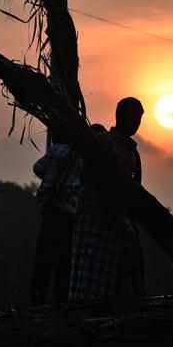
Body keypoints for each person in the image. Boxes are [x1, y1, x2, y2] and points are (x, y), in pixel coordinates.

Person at [69, 97, 146, 303]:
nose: (137, 122)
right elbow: (87, 176)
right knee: (89, 273)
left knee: (125, 263)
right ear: (120, 116)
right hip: (93, 215)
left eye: (140, 119)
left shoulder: (133, 153)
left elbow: (135, 189)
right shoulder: (103, 141)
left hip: (116, 218)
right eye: (134, 117)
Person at [29, 131, 84, 305]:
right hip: (68, 213)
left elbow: (38, 168)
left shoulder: (56, 150)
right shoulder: (84, 160)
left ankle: (37, 298)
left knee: (44, 257)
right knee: (64, 259)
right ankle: (60, 299)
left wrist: (52, 175)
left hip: (50, 210)